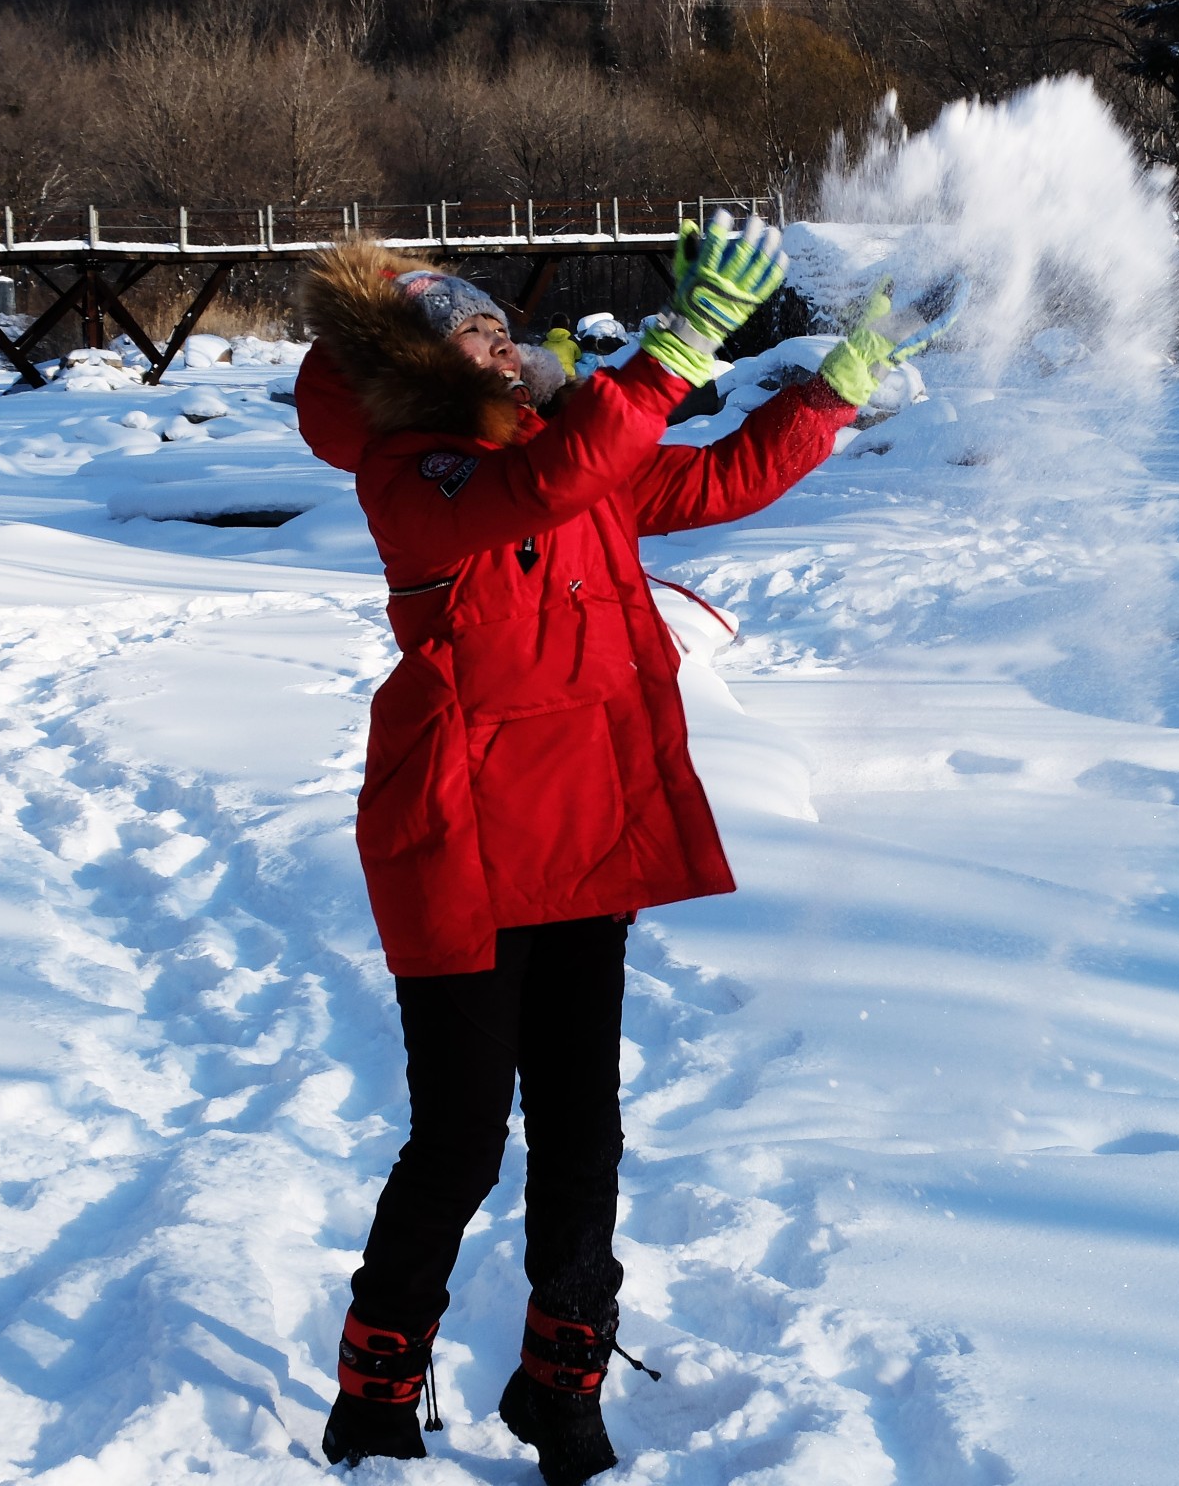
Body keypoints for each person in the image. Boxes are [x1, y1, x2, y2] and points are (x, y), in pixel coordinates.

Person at [291, 214, 953, 1485]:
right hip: (463, 843)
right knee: (462, 1137)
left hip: (585, 828)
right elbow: (534, 494)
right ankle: (372, 1393)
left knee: (586, 1131)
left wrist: (839, 378)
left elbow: (711, 478)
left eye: (497, 320)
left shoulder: (561, 447)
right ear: (414, 366)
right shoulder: (416, 470)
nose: (497, 337)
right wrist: (681, 342)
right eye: (468, 328)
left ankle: (562, 1383)